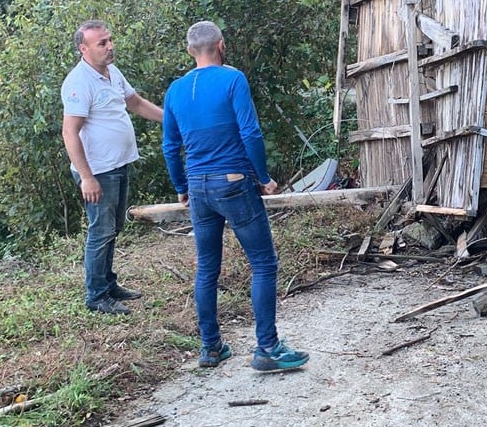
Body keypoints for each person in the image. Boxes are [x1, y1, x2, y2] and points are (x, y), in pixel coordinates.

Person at [161, 21, 309, 372]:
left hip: (198, 186)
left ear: (189, 51)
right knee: (262, 262)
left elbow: (170, 146)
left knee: (207, 266)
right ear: (221, 45)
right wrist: (263, 177)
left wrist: (181, 185)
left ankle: (210, 347)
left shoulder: (175, 90)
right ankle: (268, 348)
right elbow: (251, 133)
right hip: (234, 180)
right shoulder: (232, 79)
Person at [61, 19, 164, 315]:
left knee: (113, 228)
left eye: (110, 40)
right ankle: (96, 296)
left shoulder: (111, 72)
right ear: (84, 49)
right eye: (102, 43)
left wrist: (171, 119)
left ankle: (109, 284)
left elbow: (136, 102)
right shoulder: (78, 83)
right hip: (98, 172)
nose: (110, 46)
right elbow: (70, 133)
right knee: (101, 230)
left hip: (118, 165)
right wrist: (86, 177)